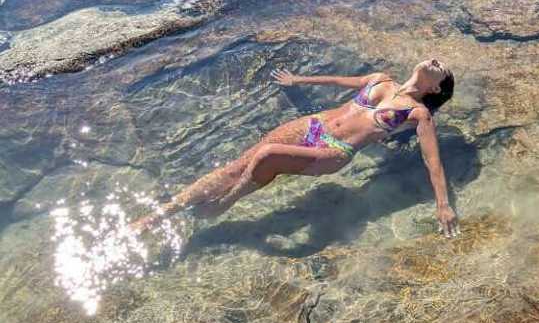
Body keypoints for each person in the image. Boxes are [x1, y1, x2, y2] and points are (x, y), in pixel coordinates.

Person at [133, 59, 459, 237]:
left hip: (334, 151)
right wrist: (298, 80)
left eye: (441, 68)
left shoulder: (418, 113)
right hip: (314, 124)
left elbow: (434, 162)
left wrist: (443, 205)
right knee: (234, 166)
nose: (436, 61)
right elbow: (338, 82)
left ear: (436, 87)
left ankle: (226, 202)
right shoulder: (381, 79)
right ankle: (155, 216)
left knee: (266, 156)